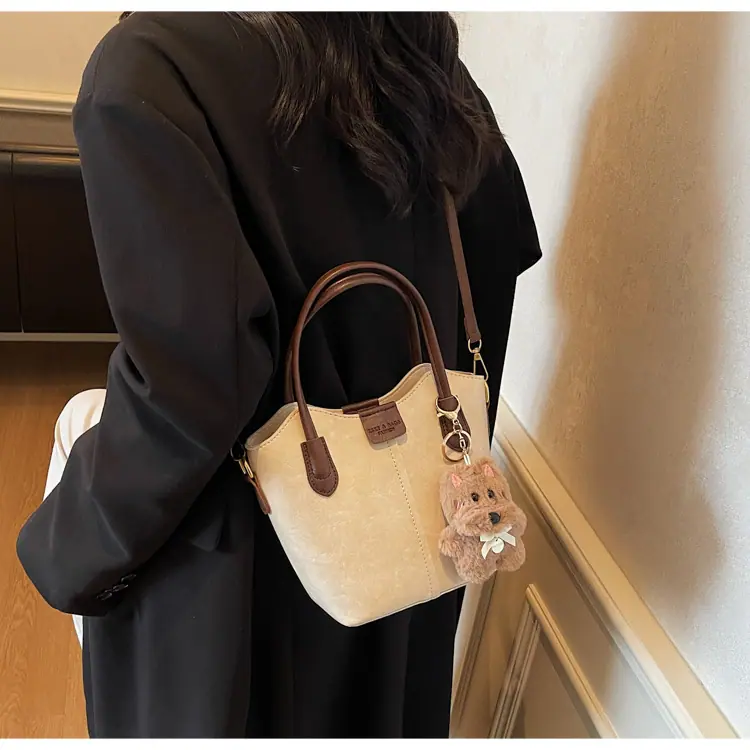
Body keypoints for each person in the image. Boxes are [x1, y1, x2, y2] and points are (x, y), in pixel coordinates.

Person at [16, 11, 541, 739]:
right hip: (409, 551)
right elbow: (488, 284)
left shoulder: (152, 70)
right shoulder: (417, 57)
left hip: (237, 594)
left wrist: (69, 550)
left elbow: (188, 393)